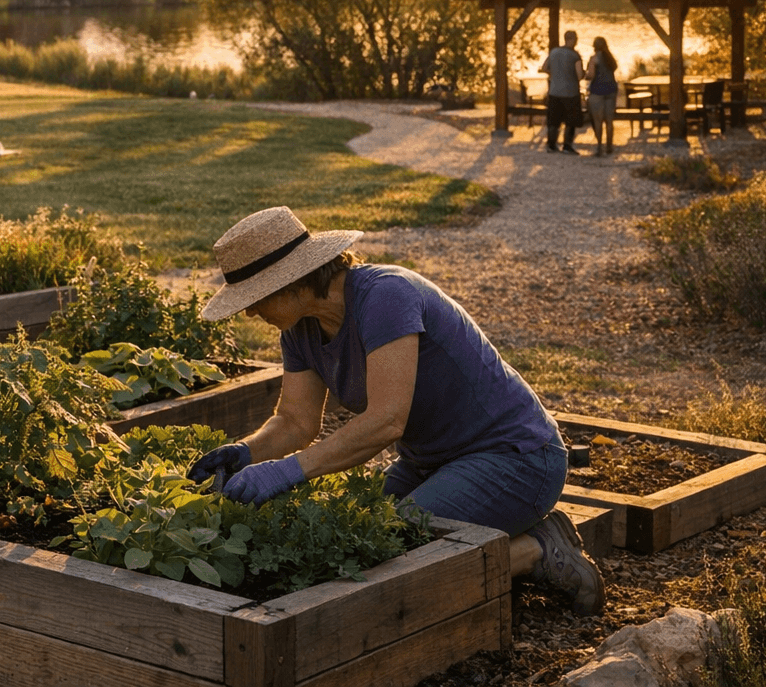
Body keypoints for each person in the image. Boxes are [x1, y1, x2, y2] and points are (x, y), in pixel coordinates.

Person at [187, 207, 605, 615]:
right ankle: (506, 536)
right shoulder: (301, 328)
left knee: (394, 560)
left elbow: (387, 421)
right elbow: (295, 422)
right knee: (356, 538)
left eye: (254, 298)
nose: (250, 311)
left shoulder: (386, 296)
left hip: (515, 458)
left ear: (291, 282)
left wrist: (285, 471)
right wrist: (246, 453)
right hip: (431, 464)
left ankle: (538, 549)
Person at [539, 31, 585, 154]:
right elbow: (579, 75)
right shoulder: (575, 55)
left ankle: (551, 144)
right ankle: (567, 146)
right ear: (573, 39)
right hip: (570, 93)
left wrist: (554, 74)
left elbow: (544, 67)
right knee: (570, 120)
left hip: (554, 91)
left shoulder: (554, 52)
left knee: (553, 120)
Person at [584, 37, 619, 157]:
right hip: (611, 90)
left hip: (597, 91)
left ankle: (599, 147)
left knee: (598, 121)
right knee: (609, 121)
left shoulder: (594, 58)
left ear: (594, 46)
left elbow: (591, 75)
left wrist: (584, 75)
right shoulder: (610, 59)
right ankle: (609, 146)